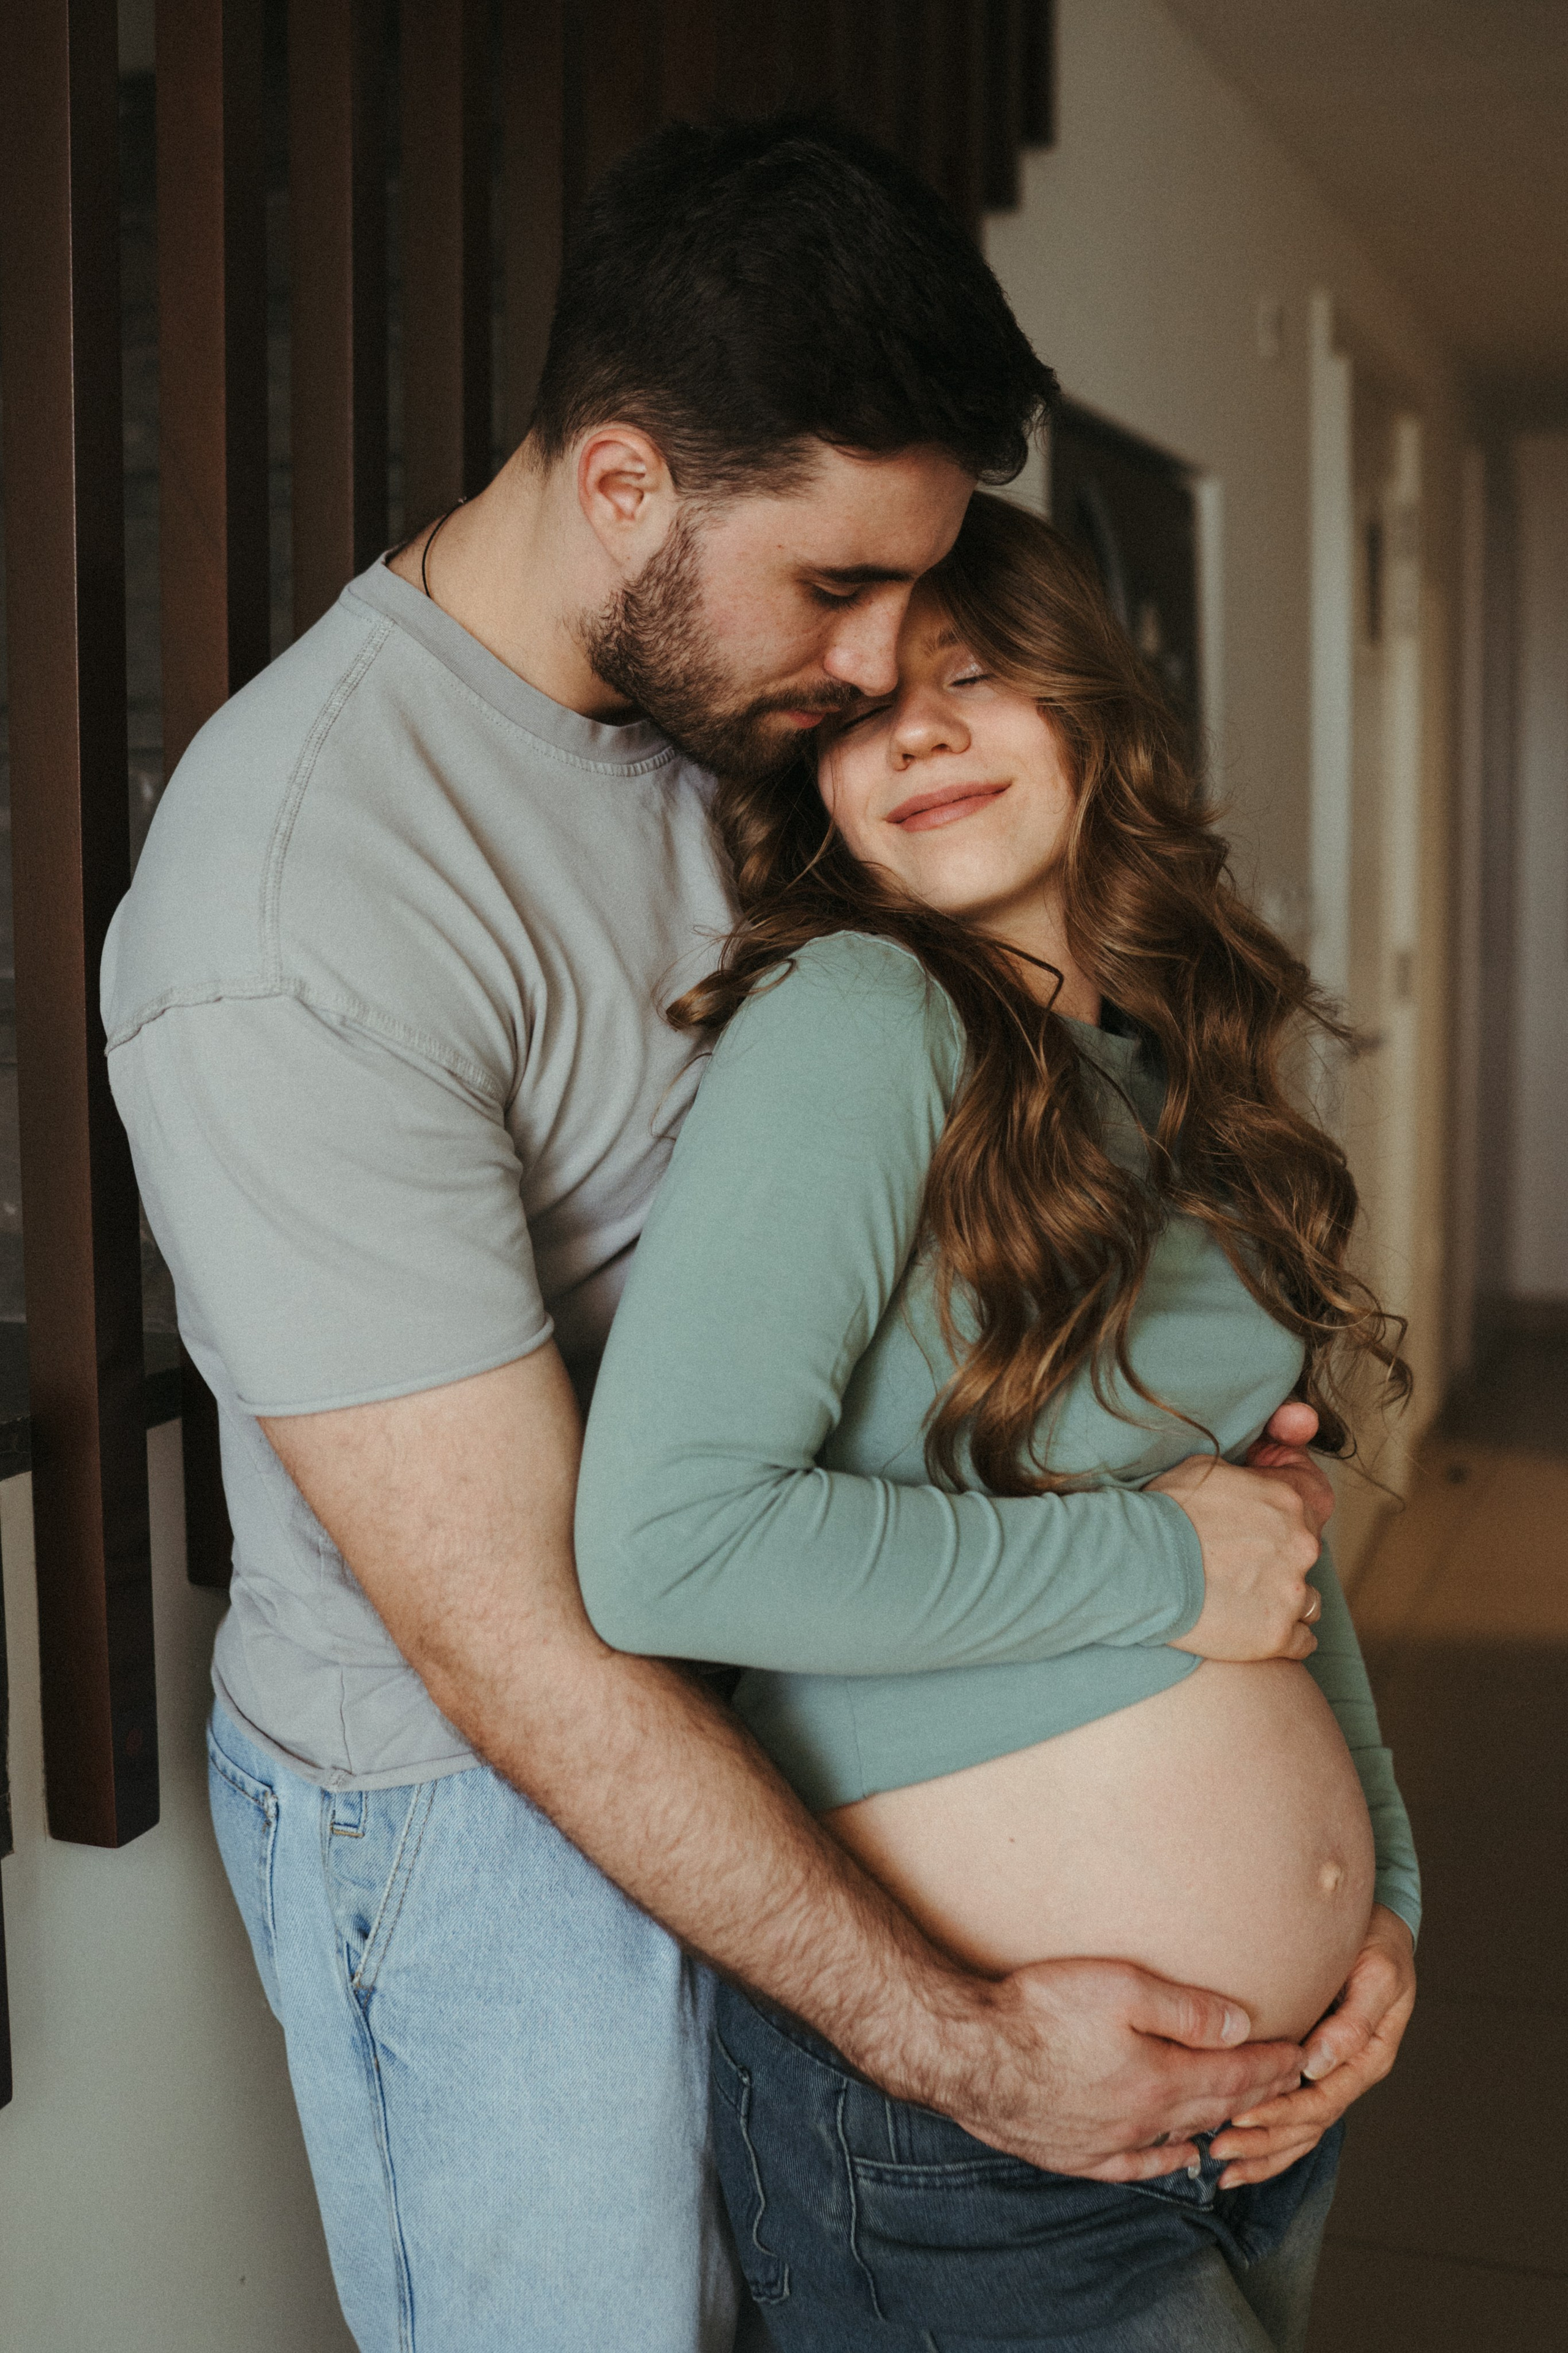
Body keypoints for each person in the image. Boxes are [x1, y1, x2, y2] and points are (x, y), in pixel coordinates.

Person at [105, 113, 1341, 2353]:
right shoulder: (293, 911)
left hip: (792, 1718)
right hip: (491, 1809)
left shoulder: (729, 705)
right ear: (619, 490)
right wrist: (958, 2038)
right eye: (846, 591)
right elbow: (516, 1629)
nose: (887, 674)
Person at [575, 494, 1420, 2351]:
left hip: (1260, 2098)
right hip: (985, 2141)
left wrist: (1386, 1908)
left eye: (972, 674)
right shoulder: (866, 1015)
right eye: (859, 712)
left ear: (1094, 709)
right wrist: (1153, 1561)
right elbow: (668, 1549)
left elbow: (1267, 1534)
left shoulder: (1169, 1060)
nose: (921, 730)